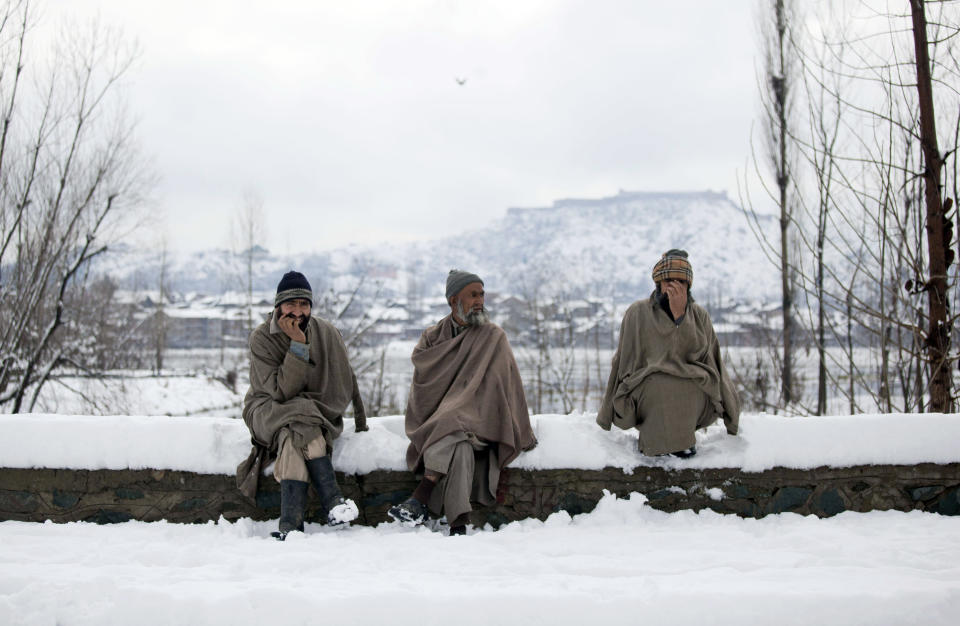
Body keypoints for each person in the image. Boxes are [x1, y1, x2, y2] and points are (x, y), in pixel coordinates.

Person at [389, 269, 537, 535]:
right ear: (453, 300)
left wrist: (518, 428)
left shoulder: (494, 337)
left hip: (485, 424)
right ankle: (459, 524)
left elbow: (505, 386)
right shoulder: (432, 338)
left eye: (482, 294)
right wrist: (453, 409)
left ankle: (421, 496)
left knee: (452, 421)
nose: (479, 300)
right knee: (459, 445)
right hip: (448, 430)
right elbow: (423, 389)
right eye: (473, 295)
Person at [236, 271, 368, 540]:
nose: (298, 311)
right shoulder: (261, 338)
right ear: (278, 306)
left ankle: (290, 527)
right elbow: (280, 392)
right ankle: (332, 500)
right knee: (303, 415)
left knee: (292, 434)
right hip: (267, 408)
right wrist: (297, 346)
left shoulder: (326, 332)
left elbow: (347, 377)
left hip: (309, 411)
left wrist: (362, 421)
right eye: (291, 304)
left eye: (304, 304)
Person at [597, 249, 739, 457]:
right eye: (668, 282)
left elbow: (707, 360)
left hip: (692, 381)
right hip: (645, 385)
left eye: (680, 282)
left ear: (688, 287)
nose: (673, 287)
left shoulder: (699, 316)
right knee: (660, 386)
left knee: (688, 386)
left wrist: (681, 318)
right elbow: (624, 362)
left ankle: (684, 444)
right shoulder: (637, 313)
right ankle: (656, 446)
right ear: (658, 284)